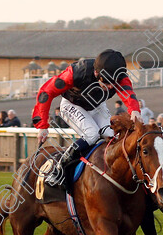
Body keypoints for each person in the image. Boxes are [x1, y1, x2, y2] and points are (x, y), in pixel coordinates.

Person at [32, 49, 142, 186]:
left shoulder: (119, 77)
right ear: (96, 73)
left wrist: (135, 111)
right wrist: (42, 126)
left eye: (112, 84)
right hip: (71, 105)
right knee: (92, 134)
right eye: (106, 82)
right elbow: (46, 91)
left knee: (113, 136)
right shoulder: (78, 72)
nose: (109, 87)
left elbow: (129, 96)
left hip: (97, 106)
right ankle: (59, 170)